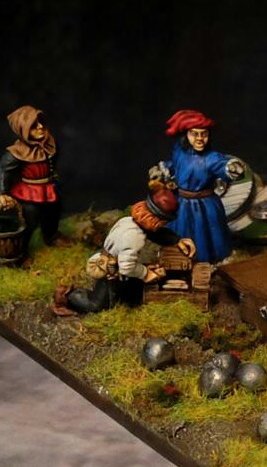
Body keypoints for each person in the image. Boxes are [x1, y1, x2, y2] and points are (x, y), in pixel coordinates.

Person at [57, 180, 197, 314]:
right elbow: (126, 267)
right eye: (162, 222)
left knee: (134, 293)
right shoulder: (134, 237)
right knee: (96, 305)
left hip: (121, 267)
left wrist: (176, 240)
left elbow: (154, 233)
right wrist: (146, 273)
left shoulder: (130, 221)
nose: (162, 225)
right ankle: (67, 295)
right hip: (111, 271)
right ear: (155, 220)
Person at [159, 109, 245, 264]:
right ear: (186, 135)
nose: (200, 139)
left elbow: (223, 165)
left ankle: (207, 262)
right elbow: (175, 165)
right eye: (194, 134)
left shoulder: (212, 158)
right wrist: (163, 169)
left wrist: (232, 168)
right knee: (180, 233)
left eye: (204, 134)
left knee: (206, 237)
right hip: (181, 203)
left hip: (204, 206)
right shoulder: (180, 151)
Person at [0, 105, 66, 247]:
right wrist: (2, 192)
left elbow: (53, 160)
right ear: (24, 130)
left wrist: (53, 176)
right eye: (33, 126)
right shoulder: (16, 152)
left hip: (49, 188)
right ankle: (21, 248)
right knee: (29, 220)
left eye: (40, 122)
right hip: (29, 192)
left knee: (53, 212)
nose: (40, 127)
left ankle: (51, 236)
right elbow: (3, 171)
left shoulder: (49, 144)